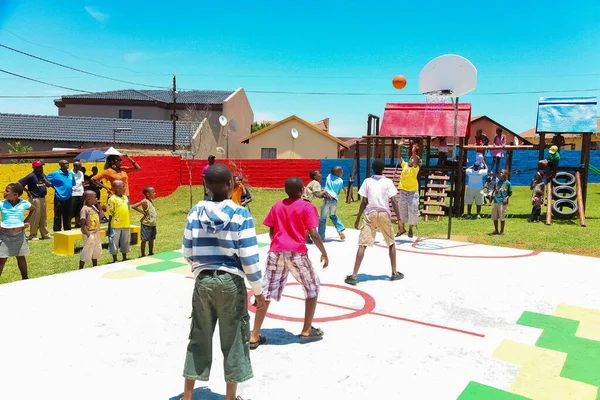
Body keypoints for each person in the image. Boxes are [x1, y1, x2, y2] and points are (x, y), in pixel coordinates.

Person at [181, 163, 265, 400]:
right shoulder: (241, 214)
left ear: (205, 185)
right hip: (231, 282)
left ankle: (187, 395)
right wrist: (258, 291)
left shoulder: (195, 212)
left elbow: (187, 250)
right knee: (235, 339)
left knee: (198, 336)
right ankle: (230, 397)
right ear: (231, 184)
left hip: (203, 281)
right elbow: (249, 257)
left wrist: (200, 268)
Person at [250, 176, 329, 348]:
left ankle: (254, 335)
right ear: (302, 191)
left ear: (285, 190)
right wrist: (324, 252)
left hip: (276, 252)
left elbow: (272, 231)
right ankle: (307, 330)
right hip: (297, 253)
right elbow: (314, 234)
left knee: (267, 291)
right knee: (312, 287)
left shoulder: (277, 205)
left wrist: (279, 244)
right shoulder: (307, 207)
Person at [345, 159, 403, 286]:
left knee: (362, 244)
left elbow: (364, 202)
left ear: (372, 168)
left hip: (370, 215)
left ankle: (354, 276)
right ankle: (394, 272)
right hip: (384, 214)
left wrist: (358, 217)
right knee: (391, 243)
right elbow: (393, 201)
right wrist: (399, 220)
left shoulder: (367, 181)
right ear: (383, 169)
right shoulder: (388, 182)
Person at [0, 183, 36, 280]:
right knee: (2, 258)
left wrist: (27, 221)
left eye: (7, 191)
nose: (4, 193)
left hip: (19, 235)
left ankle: (25, 278)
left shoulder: (23, 203)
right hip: (4, 235)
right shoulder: (2, 203)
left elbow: (33, 209)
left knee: (20, 257)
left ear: (15, 194)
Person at [18, 160, 52, 240]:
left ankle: (45, 234)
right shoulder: (31, 176)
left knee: (43, 217)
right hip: (35, 199)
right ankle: (33, 235)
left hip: (42, 198)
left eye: (41, 166)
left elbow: (48, 185)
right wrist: (27, 191)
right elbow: (19, 183)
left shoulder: (42, 175)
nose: (41, 168)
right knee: (35, 217)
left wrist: (44, 178)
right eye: (39, 166)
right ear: (34, 168)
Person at [396, 141, 422, 238]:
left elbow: (415, 162)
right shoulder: (405, 165)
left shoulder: (416, 168)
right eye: (410, 158)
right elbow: (399, 158)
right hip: (403, 191)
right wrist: (399, 147)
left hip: (412, 192)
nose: (411, 159)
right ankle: (402, 228)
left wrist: (414, 152)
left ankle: (411, 228)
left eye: (412, 159)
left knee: (412, 210)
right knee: (402, 209)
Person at [46, 160, 76, 232]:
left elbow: (72, 184)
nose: (67, 165)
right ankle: (57, 230)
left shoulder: (71, 174)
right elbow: (45, 178)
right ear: (60, 165)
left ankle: (67, 229)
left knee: (67, 214)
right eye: (65, 163)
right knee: (57, 215)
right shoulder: (55, 174)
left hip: (69, 197)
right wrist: (50, 185)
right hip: (59, 197)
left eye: (68, 163)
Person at [318, 166, 346, 241]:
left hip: (327, 199)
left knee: (322, 218)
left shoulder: (329, 176)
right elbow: (339, 192)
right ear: (337, 173)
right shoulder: (340, 181)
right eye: (341, 171)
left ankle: (321, 237)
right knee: (333, 215)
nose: (342, 172)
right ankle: (340, 230)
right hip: (335, 200)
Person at [106, 180, 131, 262]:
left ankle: (124, 257)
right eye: (123, 186)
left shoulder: (125, 197)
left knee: (125, 241)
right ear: (117, 188)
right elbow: (110, 213)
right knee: (114, 241)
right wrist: (111, 225)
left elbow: (127, 208)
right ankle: (115, 258)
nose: (125, 188)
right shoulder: (112, 199)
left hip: (126, 224)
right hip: (115, 225)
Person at [302, 170, 329, 244]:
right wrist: (325, 192)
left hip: (303, 202)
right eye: (319, 174)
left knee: (308, 219)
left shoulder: (313, 183)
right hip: (306, 203)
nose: (320, 175)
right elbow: (317, 194)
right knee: (316, 219)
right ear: (315, 177)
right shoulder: (316, 183)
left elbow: (317, 193)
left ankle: (307, 235)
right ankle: (306, 235)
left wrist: (323, 193)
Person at [79, 190, 102, 269]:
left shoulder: (93, 207)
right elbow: (82, 222)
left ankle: (95, 266)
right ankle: (81, 268)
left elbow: (99, 216)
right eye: (95, 197)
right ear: (88, 199)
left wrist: (99, 207)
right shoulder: (84, 209)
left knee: (96, 249)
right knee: (87, 250)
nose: (97, 198)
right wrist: (88, 234)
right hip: (89, 233)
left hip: (96, 232)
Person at [132, 186, 157, 257]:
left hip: (152, 224)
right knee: (144, 239)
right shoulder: (145, 201)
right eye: (153, 192)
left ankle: (151, 252)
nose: (155, 193)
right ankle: (143, 254)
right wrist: (143, 212)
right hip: (146, 224)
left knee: (152, 239)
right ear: (147, 194)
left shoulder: (151, 201)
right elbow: (134, 206)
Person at [490, 169, 512, 236]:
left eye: (502, 173)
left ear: (505, 174)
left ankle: (501, 231)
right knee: (494, 216)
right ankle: (496, 230)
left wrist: (506, 198)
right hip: (496, 201)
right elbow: (495, 190)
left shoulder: (508, 183)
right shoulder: (497, 182)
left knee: (502, 217)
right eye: (500, 173)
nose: (500, 174)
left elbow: (510, 193)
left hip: (502, 202)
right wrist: (492, 196)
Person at [71, 161, 85, 228]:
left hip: (80, 193)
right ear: (75, 166)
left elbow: (82, 183)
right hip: (73, 193)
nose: (80, 167)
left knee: (79, 209)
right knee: (71, 209)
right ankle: (68, 223)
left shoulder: (81, 173)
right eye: (79, 165)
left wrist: (84, 192)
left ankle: (77, 223)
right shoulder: (70, 173)